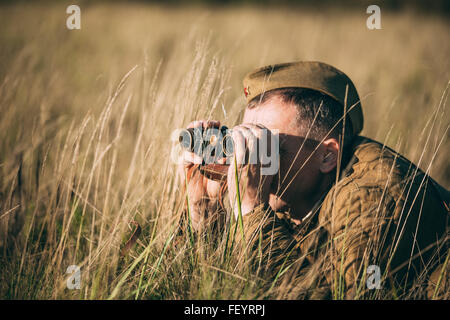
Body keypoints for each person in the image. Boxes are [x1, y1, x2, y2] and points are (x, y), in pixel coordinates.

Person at [177, 61, 449, 299]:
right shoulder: (294, 191)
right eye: (248, 141)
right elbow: (223, 286)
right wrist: (204, 207)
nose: (253, 162)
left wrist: (250, 210)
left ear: (327, 156)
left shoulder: (375, 197)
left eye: (267, 148)